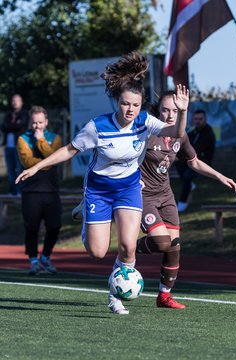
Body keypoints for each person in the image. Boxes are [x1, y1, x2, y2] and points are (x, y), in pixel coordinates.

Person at [16, 51, 189, 314]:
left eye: (135, 105)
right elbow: (70, 150)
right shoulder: (97, 127)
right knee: (98, 252)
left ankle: (115, 296)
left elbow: (175, 132)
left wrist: (183, 111)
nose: (130, 110)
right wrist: (37, 167)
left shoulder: (144, 121)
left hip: (129, 187)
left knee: (128, 247)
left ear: (141, 106)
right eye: (125, 104)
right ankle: (86, 210)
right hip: (98, 190)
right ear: (117, 102)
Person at [137, 91, 236, 309]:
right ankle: (127, 250)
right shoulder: (146, 131)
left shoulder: (180, 135)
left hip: (165, 195)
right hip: (142, 194)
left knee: (174, 246)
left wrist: (221, 177)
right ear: (158, 111)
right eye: (166, 109)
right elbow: (125, 157)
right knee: (161, 242)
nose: (171, 114)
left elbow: (194, 162)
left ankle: (164, 296)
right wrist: (132, 178)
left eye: (175, 110)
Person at [17, 106, 62, 275]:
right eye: (34, 123)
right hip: (31, 191)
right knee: (32, 228)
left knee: (55, 226)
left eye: (40, 122)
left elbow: (55, 159)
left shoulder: (55, 138)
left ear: (46, 122)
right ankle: (33, 260)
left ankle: (45, 256)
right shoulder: (23, 139)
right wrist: (44, 160)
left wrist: (41, 141)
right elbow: (27, 162)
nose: (37, 126)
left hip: (51, 191)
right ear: (30, 122)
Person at [175, 109, 216, 212]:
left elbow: (196, 149)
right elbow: (185, 144)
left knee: (187, 177)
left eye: (200, 119)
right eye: (196, 119)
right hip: (191, 160)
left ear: (205, 119)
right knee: (177, 162)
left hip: (202, 163)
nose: (198, 121)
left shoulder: (208, 133)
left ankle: (182, 203)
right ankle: (190, 185)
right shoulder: (194, 132)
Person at [1, 94, 29, 195]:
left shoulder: (24, 114)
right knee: (10, 171)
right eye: (13, 100)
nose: (14, 102)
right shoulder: (8, 114)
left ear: (21, 102)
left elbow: (20, 126)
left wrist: (10, 126)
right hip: (8, 147)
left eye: (17, 100)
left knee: (19, 169)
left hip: (19, 146)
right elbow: (3, 127)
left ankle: (20, 191)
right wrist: (13, 125)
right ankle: (12, 191)